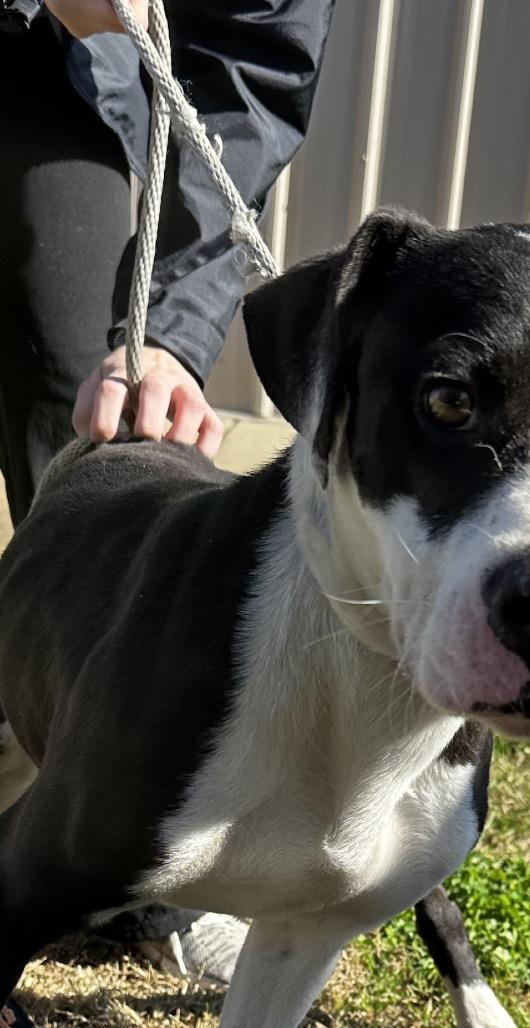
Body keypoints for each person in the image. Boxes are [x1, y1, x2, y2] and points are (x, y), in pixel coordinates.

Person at [0, 1, 334, 1022]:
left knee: (91, 428)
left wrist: (174, 335)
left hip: (45, 84)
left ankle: (123, 860)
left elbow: (247, 76)